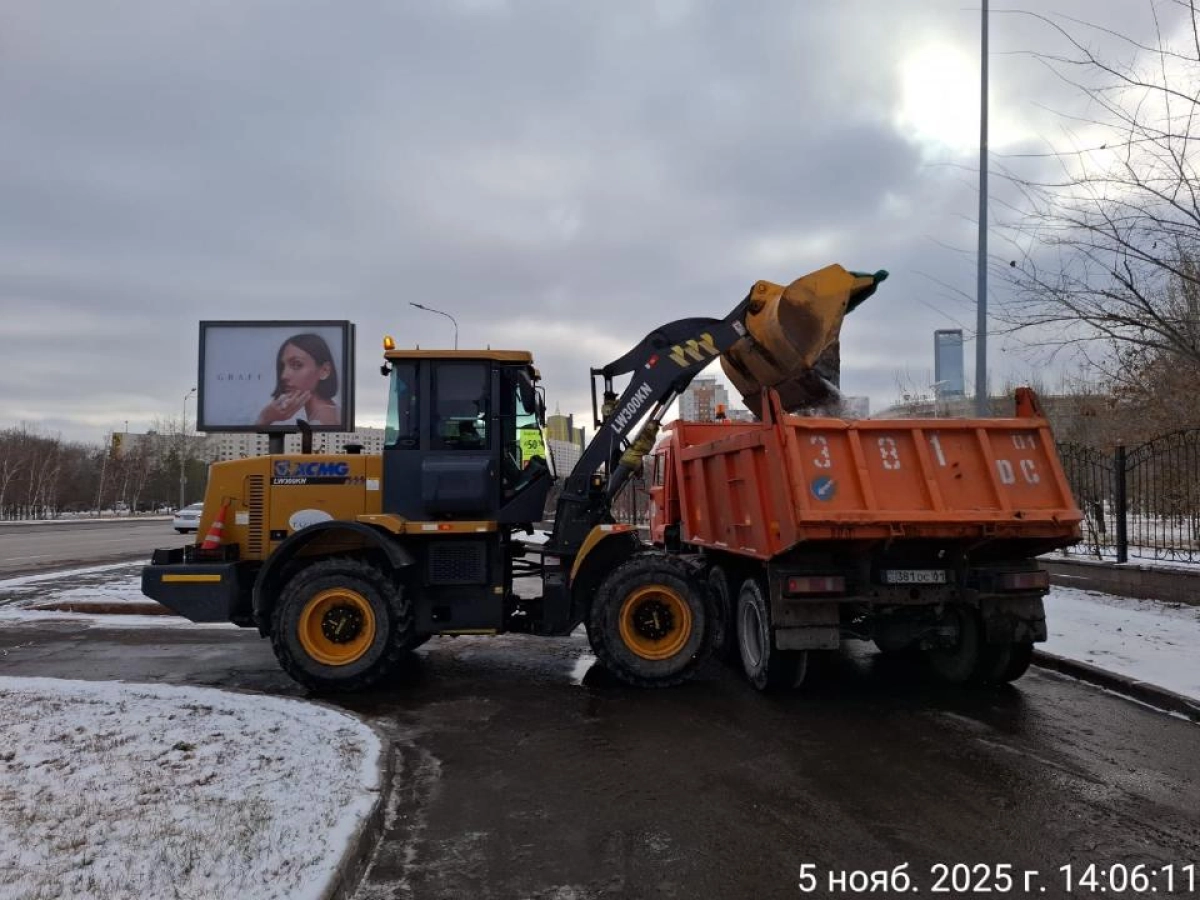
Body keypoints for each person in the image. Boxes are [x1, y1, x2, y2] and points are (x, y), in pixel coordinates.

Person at [256, 334, 342, 427]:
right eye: (282, 367)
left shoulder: (323, 419)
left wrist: (264, 418)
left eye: (297, 365)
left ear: (324, 371)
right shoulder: (330, 413)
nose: (284, 376)